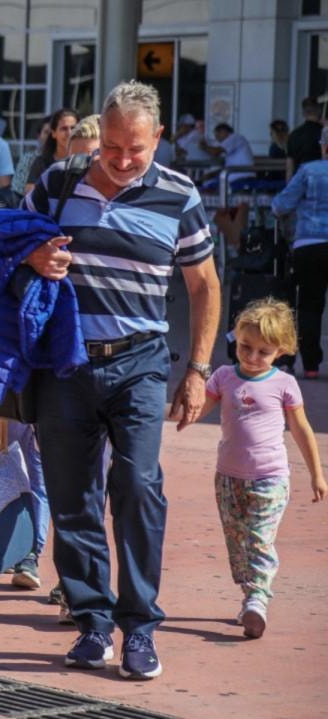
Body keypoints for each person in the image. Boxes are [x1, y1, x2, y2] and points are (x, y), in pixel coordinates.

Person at [23, 80, 220, 680]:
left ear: (157, 138)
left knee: (137, 485)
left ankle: (139, 628)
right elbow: (9, 247)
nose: (122, 159)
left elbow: (204, 286)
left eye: (135, 148)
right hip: (65, 363)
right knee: (72, 496)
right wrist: (31, 257)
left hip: (141, 362)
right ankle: (92, 622)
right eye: (111, 147)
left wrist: (198, 371)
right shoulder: (58, 182)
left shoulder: (179, 195)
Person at [199, 298, 328, 642]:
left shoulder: (284, 383)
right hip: (228, 479)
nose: (252, 357)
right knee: (237, 542)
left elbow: (301, 429)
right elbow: (197, 408)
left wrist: (316, 473)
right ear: (236, 337)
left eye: (263, 352)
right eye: (245, 346)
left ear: (281, 351)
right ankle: (249, 596)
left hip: (270, 479)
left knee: (258, 539)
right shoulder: (224, 376)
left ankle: (258, 598)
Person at [271, 126, 328, 379]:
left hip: (309, 244)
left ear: (323, 146)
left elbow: (281, 205)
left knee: (309, 306)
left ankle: (311, 365)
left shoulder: (308, 170)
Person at [25, 108, 79, 195]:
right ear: (53, 133)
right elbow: (30, 195)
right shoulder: (41, 162)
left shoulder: (85, 162)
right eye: (64, 128)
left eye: (73, 128)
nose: (69, 133)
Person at [200, 123, 255, 187]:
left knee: (208, 187)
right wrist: (211, 175)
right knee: (207, 184)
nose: (217, 139)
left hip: (241, 177)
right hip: (234, 175)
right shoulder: (230, 143)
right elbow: (227, 165)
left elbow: (215, 152)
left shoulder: (235, 137)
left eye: (218, 135)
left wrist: (204, 146)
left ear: (224, 131)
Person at [286, 96, 324, 180]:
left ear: (303, 113)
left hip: (299, 180)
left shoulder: (294, 135)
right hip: (320, 181)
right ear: (319, 111)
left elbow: (289, 168)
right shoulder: (324, 133)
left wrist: (289, 185)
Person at [13, 120, 50, 199]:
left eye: (52, 132)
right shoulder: (28, 158)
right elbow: (17, 190)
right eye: (46, 132)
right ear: (39, 136)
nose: (50, 137)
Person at [173, 114, 212, 178]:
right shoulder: (186, 136)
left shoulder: (195, 134)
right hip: (192, 166)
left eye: (183, 126)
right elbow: (173, 142)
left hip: (201, 166)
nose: (181, 128)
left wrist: (179, 133)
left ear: (187, 126)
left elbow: (180, 150)